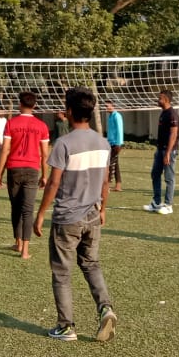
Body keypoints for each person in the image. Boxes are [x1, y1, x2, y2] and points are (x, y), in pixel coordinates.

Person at [33, 86, 116, 343]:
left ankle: (66, 326)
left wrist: (41, 213)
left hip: (68, 218)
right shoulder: (103, 143)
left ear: (69, 111)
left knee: (61, 272)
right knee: (91, 264)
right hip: (93, 214)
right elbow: (105, 182)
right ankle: (105, 308)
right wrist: (103, 208)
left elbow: (54, 183)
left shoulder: (64, 143)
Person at [0, 91, 50, 260]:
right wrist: (45, 175)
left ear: (20, 104)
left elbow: (5, 149)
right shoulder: (42, 126)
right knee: (28, 210)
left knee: (16, 207)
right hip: (32, 170)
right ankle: (25, 250)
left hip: (14, 169)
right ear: (34, 105)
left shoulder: (11, 123)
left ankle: (18, 243)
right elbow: (45, 154)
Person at [144, 90, 179, 215]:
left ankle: (168, 205)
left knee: (169, 178)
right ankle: (156, 203)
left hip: (169, 150)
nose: (157, 100)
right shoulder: (163, 113)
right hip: (160, 149)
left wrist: (168, 153)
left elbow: (173, 134)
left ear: (166, 100)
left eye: (159, 98)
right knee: (155, 174)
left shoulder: (172, 114)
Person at [104, 101, 124, 192]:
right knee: (115, 165)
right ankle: (118, 185)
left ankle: (107, 185)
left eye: (107, 106)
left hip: (116, 144)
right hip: (111, 143)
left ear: (113, 106)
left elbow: (120, 130)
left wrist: (118, 144)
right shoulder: (110, 116)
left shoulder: (117, 116)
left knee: (110, 164)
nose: (106, 108)